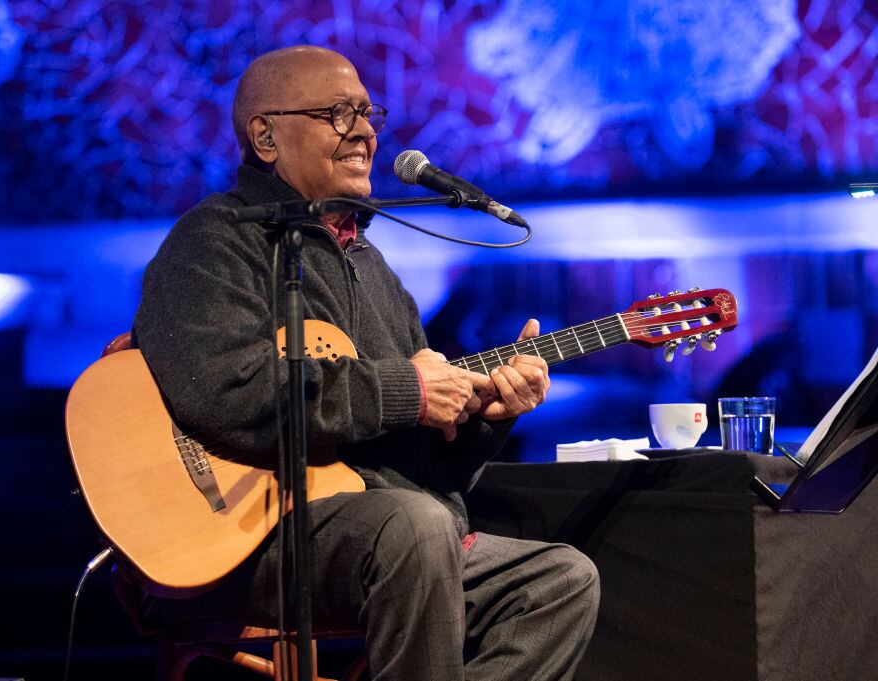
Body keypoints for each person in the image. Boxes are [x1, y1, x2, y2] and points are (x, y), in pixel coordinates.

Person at [131, 45, 599, 680]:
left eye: (366, 112)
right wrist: (406, 389)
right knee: (415, 526)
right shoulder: (213, 243)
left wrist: (485, 415)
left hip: (388, 526)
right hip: (248, 537)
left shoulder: (374, 271)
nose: (364, 131)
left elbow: (419, 461)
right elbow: (224, 391)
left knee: (558, 581)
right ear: (265, 137)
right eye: (335, 112)